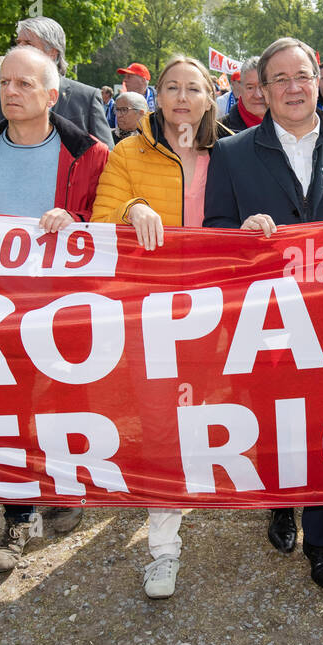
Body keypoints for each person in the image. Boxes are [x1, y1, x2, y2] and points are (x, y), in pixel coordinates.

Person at [204, 37, 323, 591]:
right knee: (277, 421)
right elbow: (214, 232)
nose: (293, 87)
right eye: (280, 79)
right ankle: (280, 501)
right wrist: (240, 235)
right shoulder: (232, 154)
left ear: (317, 78)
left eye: (301, 75)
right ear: (264, 90)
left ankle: (322, 540)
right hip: (267, 316)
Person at [92, 55, 231, 599]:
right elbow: (100, 221)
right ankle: (163, 550)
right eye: (170, 87)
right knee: (161, 425)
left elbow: (258, 218)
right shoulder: (129, 151)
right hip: (153, 312)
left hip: (225, 314)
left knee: (226, 416)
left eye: (191, 88)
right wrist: (133, 207)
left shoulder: (233, 152)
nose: (180, 97)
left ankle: (269, 511)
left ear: (207, 99)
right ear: (156, 96)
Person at [0, 44, 110, 569]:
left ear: (53, 95)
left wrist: (77, 224)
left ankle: (67, 484)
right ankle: (16, 516)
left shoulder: (91, 154)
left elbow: (109, 223)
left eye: (24, 83)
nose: (10, 91)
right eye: (4, 82)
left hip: (64, 306)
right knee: (8, 407)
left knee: (67, 400)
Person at [0, 18, 114, 145]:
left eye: (28, 44)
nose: (19, 49)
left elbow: (106, 158)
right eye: (18, 43)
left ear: (52, 53)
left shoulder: (85, 98)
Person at [221, 56, 267, 133]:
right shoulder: (220, 130)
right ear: (241, 89)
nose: (258, 95)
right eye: (250, 88)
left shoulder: (289, 123)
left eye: (262, 87)